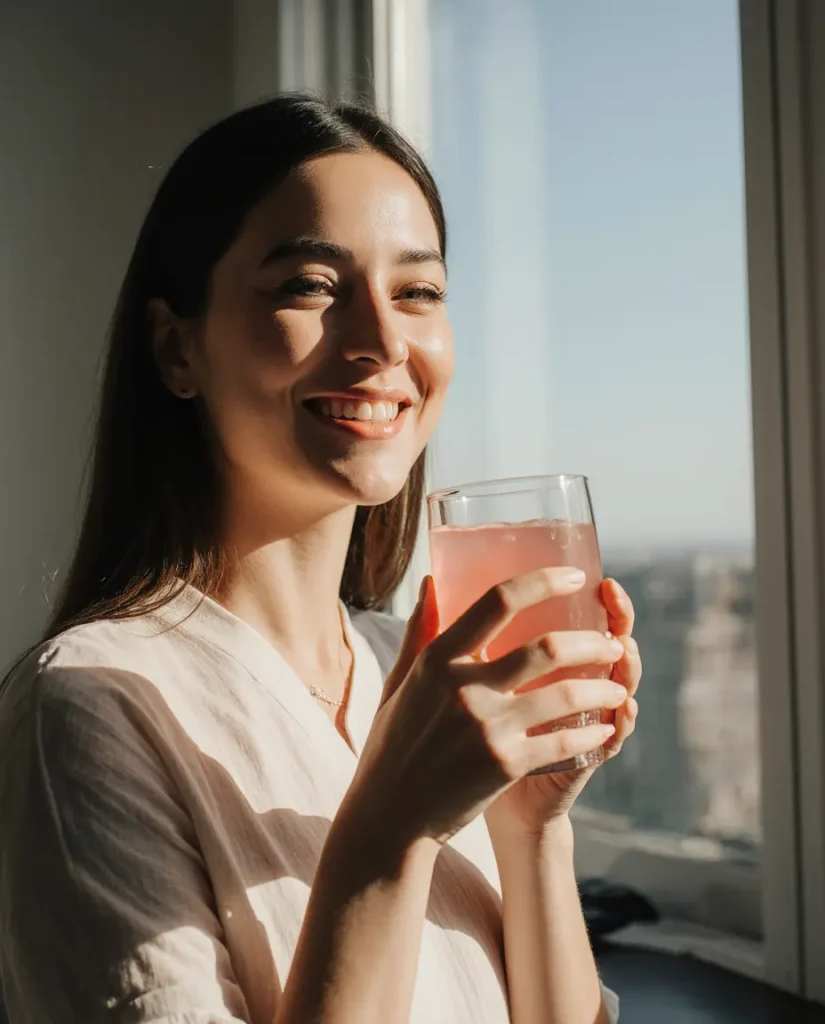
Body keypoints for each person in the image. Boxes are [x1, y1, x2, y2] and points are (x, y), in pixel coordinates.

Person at [0, 95, 641, 1024]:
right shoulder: (88, 710)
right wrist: (388, 831)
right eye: (309, 284)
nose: (384, 342)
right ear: (176, 347)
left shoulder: (411, 671)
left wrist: (532, 823)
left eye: (417, 292)